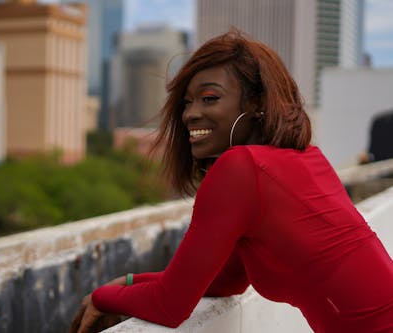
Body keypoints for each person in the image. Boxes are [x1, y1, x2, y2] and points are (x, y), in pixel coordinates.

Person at [69, 29, 393, 333]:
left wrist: (101, 297)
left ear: (254, 104)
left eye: (209, 98)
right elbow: (225, 282)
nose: (189, 114)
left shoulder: (240, 168)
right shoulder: (304, 159)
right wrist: (127, 282)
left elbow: (169, 305)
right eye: (187, 102)